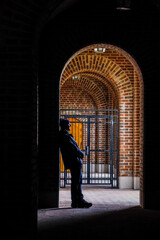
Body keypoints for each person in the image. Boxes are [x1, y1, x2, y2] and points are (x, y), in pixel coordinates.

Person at [59, 118, 92, 208]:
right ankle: (78, 201)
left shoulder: (65, 135)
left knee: (77, 181)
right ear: (64, 125)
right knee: (77, 182)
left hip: (75, 161)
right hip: (74, 161)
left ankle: (77, 201)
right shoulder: (64, 135)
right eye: (68, 124)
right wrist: (81, 154)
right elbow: (72, 148)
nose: (70, 125)